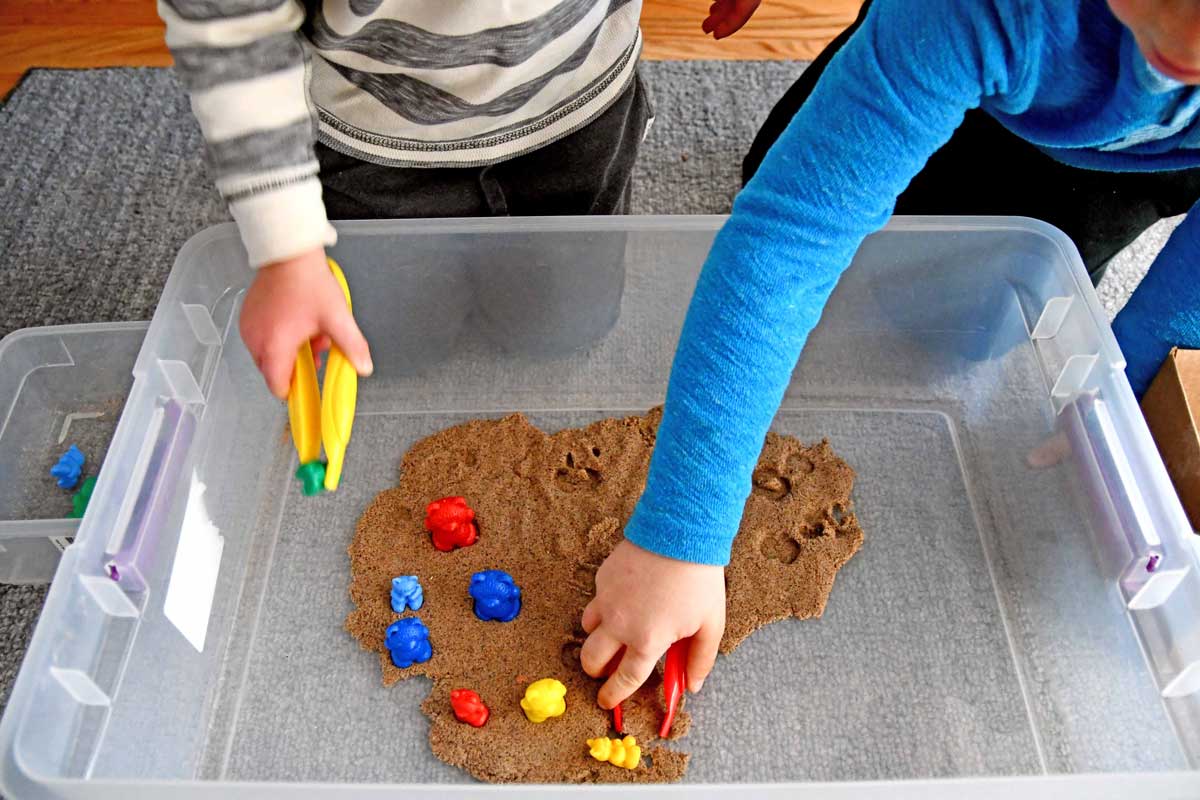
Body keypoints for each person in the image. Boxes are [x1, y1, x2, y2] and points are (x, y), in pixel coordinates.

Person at [580, 0, 1200, 710]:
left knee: (973, 328)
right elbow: (788, 238)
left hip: (1149, 164)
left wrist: (1116, 392)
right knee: (787, 173)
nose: (1189, 39)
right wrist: (681, 535)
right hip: (988, 69)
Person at [159, 0, 657, 398]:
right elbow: (230, 29)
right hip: (371, 137)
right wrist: (287, 251)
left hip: (575, 102)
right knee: (385, 352)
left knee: (563, 333)